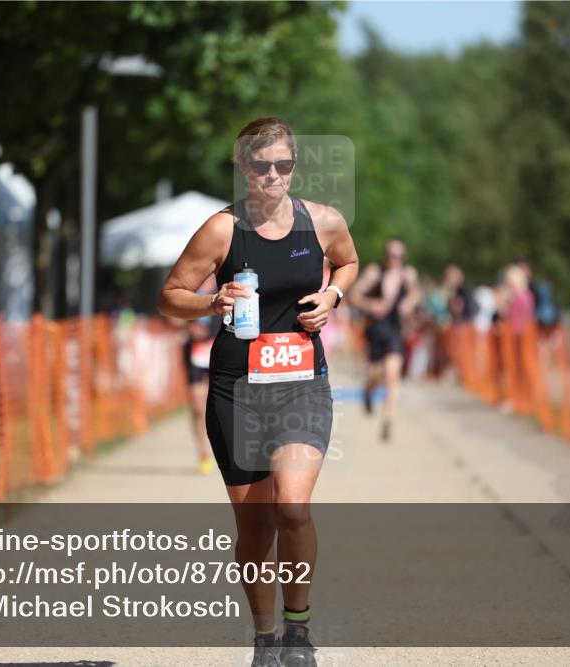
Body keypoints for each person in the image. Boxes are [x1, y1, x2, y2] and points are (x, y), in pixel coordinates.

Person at [158, 117, 358, 667]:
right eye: (261, 165)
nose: (273, 176)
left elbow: (348, 261)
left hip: (302, 384)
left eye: (283, 165)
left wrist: (333, 296)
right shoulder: (222, 230)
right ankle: (264, 638)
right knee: (255, 524)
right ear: (242, 167)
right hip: (237, 389)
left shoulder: (323, 222)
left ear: (295, 166)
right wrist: (210, 302)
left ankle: (299, 633)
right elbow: (170, 296)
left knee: (291, 505)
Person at [349, 239, 420, 441]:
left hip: (395, 329)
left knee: (392, 374)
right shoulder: (375, 272)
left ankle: (388, 420)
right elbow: (354, 295)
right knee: (376, 373)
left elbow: (415, 294)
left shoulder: (408, 275)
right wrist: (372, 304)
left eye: (398, 256)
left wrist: (409, 303)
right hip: (376, 328)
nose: (393, 259)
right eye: (390, 254)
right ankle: (368, 391)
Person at [180, 276, 220, 475]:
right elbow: (170, 313)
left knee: (220, 405)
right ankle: (203, 454)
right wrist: (187, 325)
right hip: (195, 352)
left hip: (218, 349)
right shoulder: (189, 283)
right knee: (197, 406)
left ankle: (223, 451)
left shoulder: (224, 280)